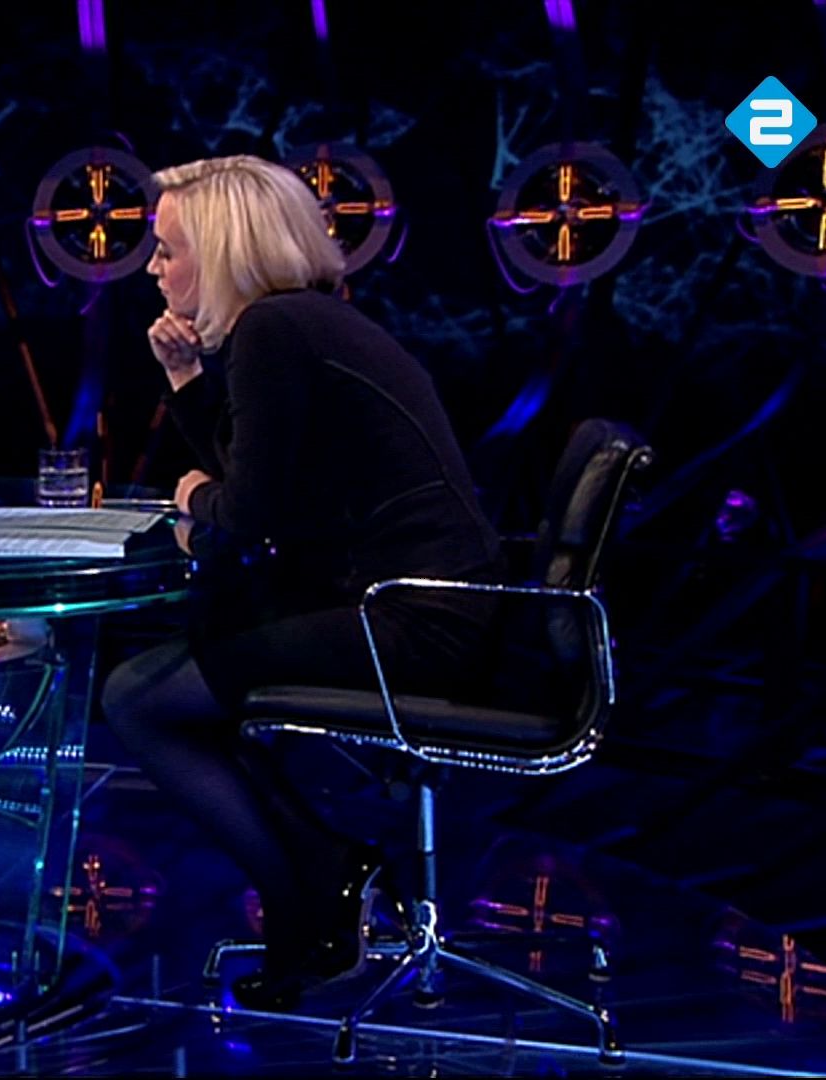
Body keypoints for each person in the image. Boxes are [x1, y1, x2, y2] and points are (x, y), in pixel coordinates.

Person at [101, 155, 504, 1010]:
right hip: (423, 605)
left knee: (138, 697)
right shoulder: (301, 322)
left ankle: (312, 892)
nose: (153, 268)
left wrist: (194, 497)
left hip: (414, 622)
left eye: (168, 249)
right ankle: (323, 879)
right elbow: (270, 490)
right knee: (200, 664)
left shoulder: (274, 331)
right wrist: (187, 384)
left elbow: (247, 511)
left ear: (222, 250)